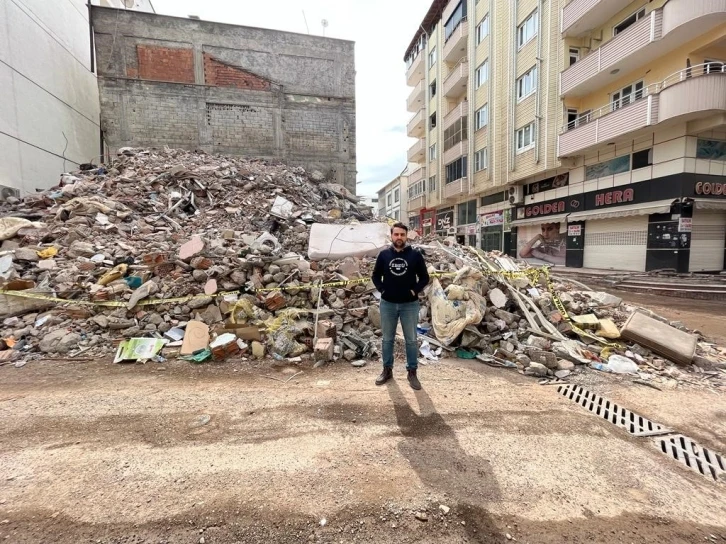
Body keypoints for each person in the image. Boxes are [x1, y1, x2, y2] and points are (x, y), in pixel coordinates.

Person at [371, 222, 430, 390]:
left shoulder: (415, 255)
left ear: (406, 236)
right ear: (391, 236)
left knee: (411, 340)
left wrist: (414, 291)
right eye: (396, 234)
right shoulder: (383, 255)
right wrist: (382, 290)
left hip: (409, 305)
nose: (399, 238)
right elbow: (375, 276)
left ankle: (412, 372)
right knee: (387, 339)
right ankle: (387, 370)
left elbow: (425, 278)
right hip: (388, 304)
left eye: (402, 235)